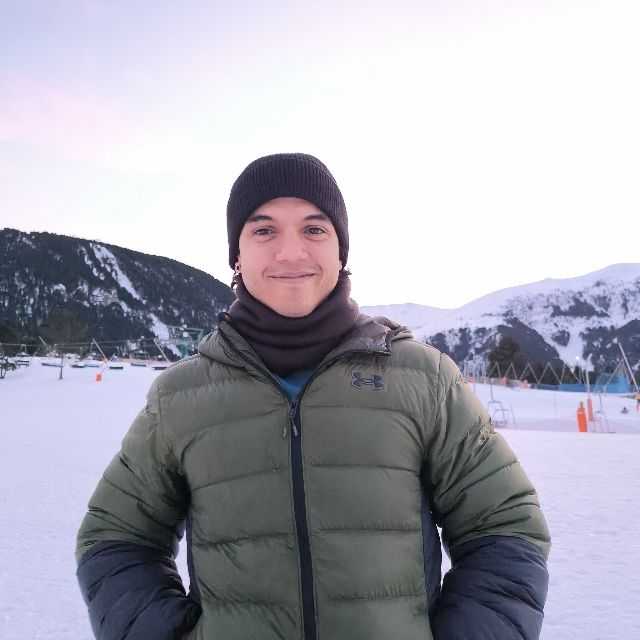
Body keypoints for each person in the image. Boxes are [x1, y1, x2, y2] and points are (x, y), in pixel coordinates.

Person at [76, 153, 551, 640]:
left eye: (314, 229)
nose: (290, 253)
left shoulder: (423, 378)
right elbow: (115, 538)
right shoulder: (181, 396)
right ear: (236, 255)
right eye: (264, 230)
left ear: (341, 250)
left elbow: (505, 526)